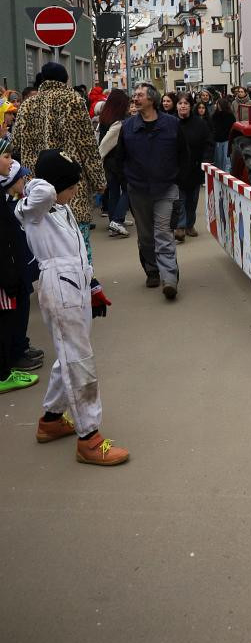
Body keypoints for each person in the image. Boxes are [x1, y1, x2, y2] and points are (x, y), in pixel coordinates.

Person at [15, 149, 127, 465]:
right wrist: (47, 174)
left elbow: (76, 253)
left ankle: (51, 420)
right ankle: (89, 438)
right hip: (58, 290)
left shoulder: (60, 208)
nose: (77, 188)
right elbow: (45, 189)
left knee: (70, 356)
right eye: (73, 183)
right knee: (78, 361)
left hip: (73, 288)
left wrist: (91, 285)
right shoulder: (36, 207)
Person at [11, 62, 106, 261]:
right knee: (78, 240)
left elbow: (16, 144)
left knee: (48, 244)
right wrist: (99, 181)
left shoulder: (28, 104)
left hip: (36, 184)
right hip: (69, 183)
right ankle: (84, 282)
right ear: (65, 80)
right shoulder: (73, 100)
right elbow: (86, 144)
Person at [116, 83, 188, 299]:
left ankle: (169, 278)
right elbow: (119, 159)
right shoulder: (128, 127)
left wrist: (178, 181)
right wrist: (127, 182)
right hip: (138, 189)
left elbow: (183, 154)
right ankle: (152, 270)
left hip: (166, 188)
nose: (135, 98)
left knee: (163, 233)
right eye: (135, 95)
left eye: (140, 95)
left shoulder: (172, 124)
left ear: (151, 100)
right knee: (146, 236)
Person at [0, 142, 40, 394]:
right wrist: (8, 273)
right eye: (5, 156)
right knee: (6, 318)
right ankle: (5, 369)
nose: (9, 159)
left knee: (13, 314)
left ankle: (13, 355)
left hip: (11, 267)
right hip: (5, 271)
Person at [175, 93, 214, 240]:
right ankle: (180, 226)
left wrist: (206, 160)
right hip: (178, 169)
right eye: (180, 103)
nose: (183, 106)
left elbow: (209, 143)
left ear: (191, 106)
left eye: (186, 103)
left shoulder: (200, 124)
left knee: (192, 200)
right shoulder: (172, 123)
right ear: (177, 106)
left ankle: (190, 224)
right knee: (180, 199)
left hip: (196, 167)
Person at [97, 89, 132, 237]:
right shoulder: (118, 122)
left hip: (108, 162)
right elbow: (106, 144)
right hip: (118, 161)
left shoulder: (105, 118)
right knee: (129, 189)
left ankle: (115, 220)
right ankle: (117, 220)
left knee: (113, 191)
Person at [210, 95, 236, 171]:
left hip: (226, 140)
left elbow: (231, 128)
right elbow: (213, 127)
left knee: (226, 159)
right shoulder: (214, 115)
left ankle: (226, 175)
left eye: (217, 104)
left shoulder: (230, 116)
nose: (216, 105)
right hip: (217, 140)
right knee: (218, 159)